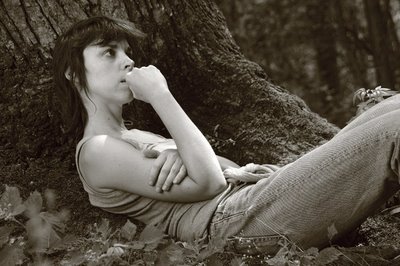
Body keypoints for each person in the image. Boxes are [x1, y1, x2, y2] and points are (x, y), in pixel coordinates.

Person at [53, 16, 400, 255]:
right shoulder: (96, 150)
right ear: (72, 72)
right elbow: (211, 185)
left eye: (127, 52)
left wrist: (181, 153)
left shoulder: (135, 135)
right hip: (233, 222)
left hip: (253, 197)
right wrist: (161, 95)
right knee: (393, 130)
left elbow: (225, 169)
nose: (127, 62)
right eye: (109, 52)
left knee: (392, 108)